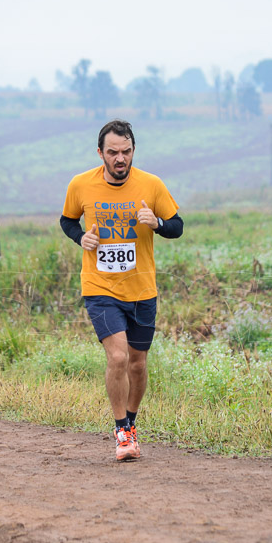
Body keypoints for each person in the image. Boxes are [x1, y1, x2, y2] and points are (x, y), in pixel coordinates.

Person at [60, 119, 184, 462]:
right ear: (100, 153)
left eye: (126, 152)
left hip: (142, 288)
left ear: (133, 152)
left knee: (138, 364)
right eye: (113, 152)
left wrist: (156, 223)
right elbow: (68, 220)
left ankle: (130, 423)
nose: (120, 159)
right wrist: (79, 237)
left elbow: (177, 226)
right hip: (100, 286)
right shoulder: (80, 184)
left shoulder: (152, 185)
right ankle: (122, 432)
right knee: (117, 357)